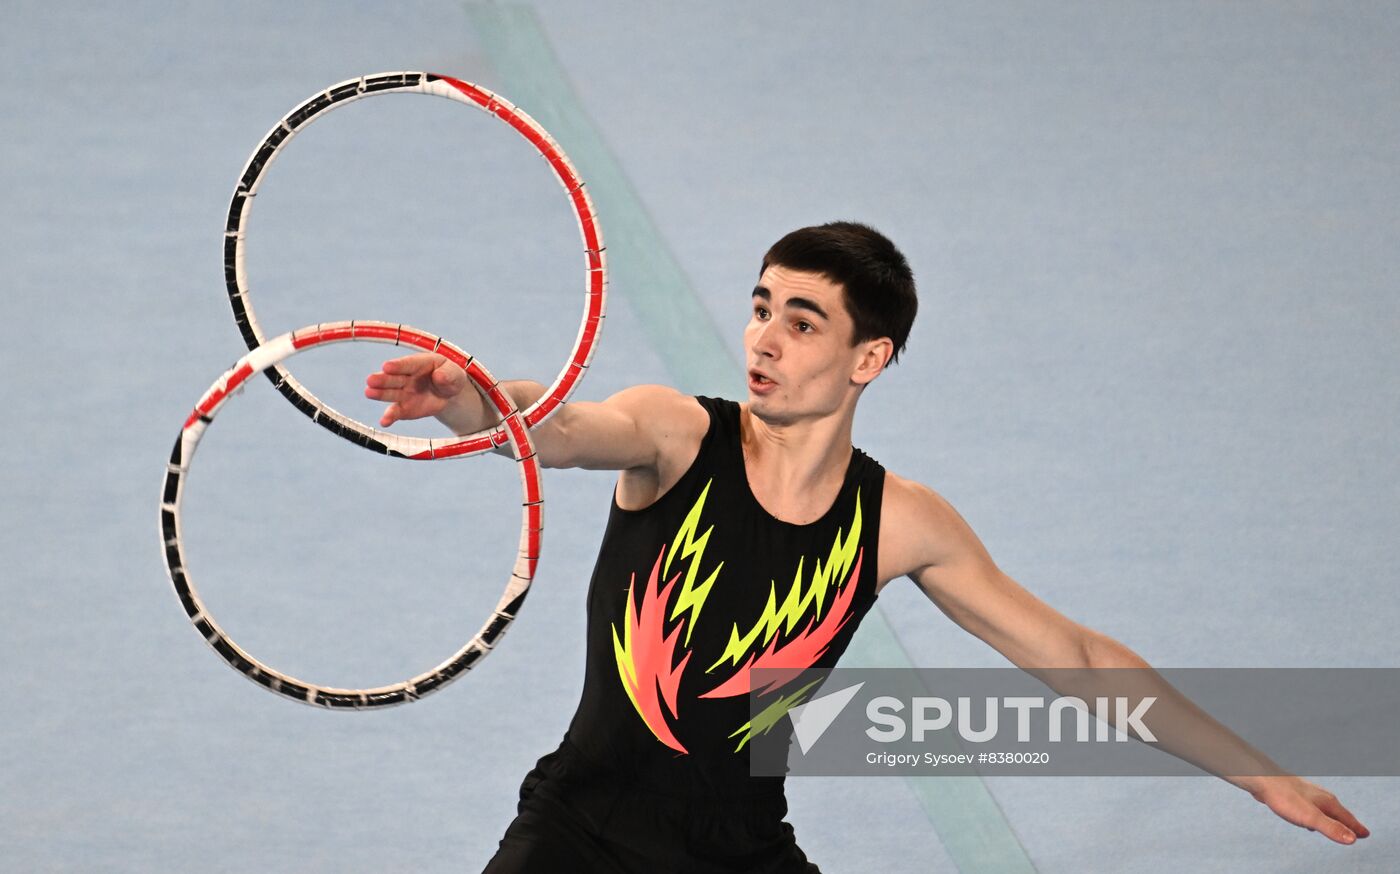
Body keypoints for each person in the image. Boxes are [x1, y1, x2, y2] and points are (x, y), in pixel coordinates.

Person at [364, 222, 1368, 872]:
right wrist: (471, 400)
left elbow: (1078, 658)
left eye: (801, 323)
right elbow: (566, 429)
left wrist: (1256, 772)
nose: (762, 339)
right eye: (760, 307)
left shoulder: (897, 522)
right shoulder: (673, 434)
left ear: (867, 357)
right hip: (577, 836)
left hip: (738, 854)